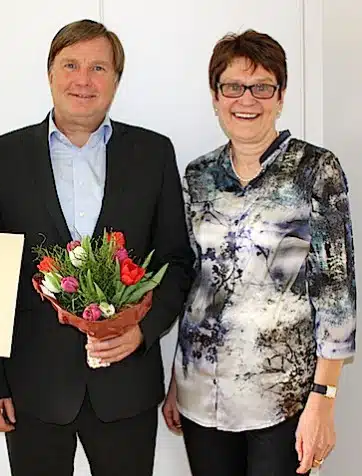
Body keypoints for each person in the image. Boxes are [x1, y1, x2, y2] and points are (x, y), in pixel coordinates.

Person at [0, 19, 195, 476]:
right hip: (32, 389)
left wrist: (141, 331)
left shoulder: (153, 154)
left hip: (126, 387)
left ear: (116, 80)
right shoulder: (2, 157)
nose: (83, 79)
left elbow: (175, 261)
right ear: (50, 74)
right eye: (70, 64)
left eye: (98, 67)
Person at [162, 29, 356, 476]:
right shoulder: (198, 176)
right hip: (201, 395)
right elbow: (200, 283)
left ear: (280, 96)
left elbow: (336, 294)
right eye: (232, 86)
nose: (246, 99)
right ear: (216, 96)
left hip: (282, 398)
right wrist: (177, 376)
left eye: (262, 86)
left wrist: (323, 402)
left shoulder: (315, 170)